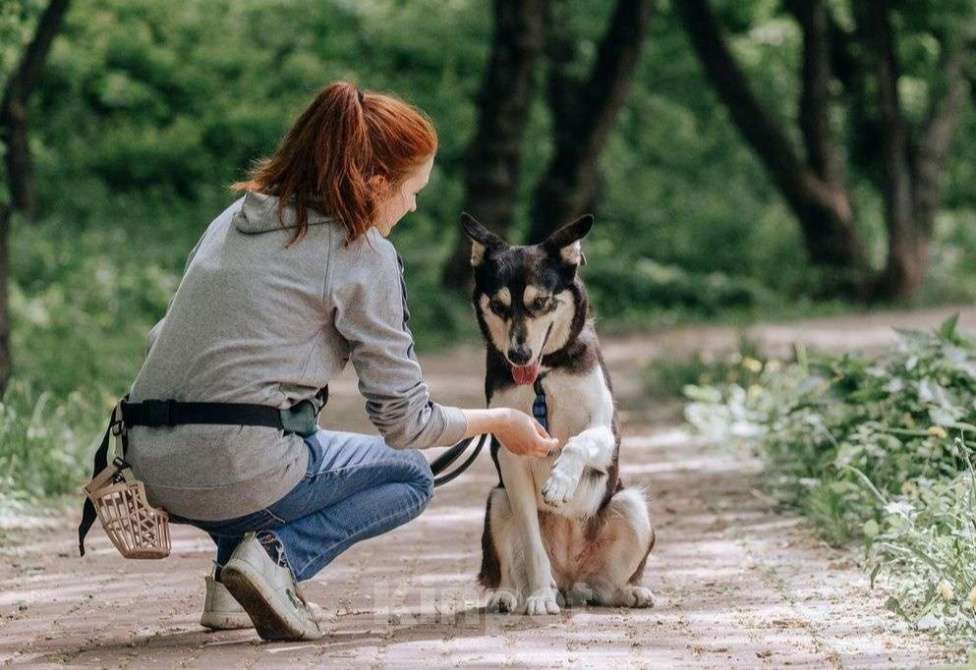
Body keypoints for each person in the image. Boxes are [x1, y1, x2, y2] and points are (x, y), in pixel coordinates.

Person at [124, 81, 557, 641]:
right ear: (376, 183)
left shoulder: (233, 220)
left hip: (146, 464)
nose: (413, 204)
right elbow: (406, 425)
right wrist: (499, 420)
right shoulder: (360, 253)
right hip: (234, 468)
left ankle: (229, 589)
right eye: (411, 190)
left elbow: (174, 341)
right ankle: (274, 562)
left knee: (275, 431)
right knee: (408, 477)